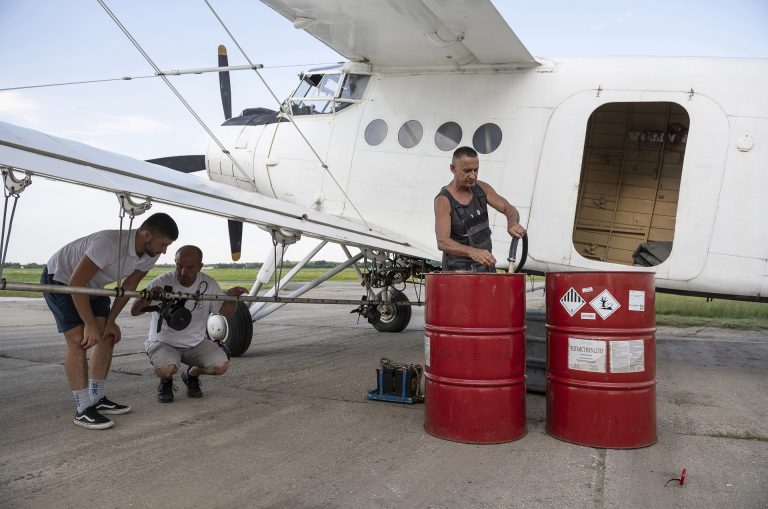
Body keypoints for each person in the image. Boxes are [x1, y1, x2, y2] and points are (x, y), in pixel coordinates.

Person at [41, 212, 179, 430]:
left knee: (107, 335)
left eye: (167, 245)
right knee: (78, 340)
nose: (164, 251)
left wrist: (110, 321)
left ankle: (96, 398)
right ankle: (83, 408)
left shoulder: (151, 253)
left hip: (93, 284)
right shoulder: (108, 243)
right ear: (146, 234)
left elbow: (129, 288)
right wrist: (89, 324)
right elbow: (76, 282)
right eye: (163, 244)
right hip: (62, 278)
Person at [131, 245, 248, 403]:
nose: (183, 272)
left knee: (221, 366)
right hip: (163, 343)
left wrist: (232, 298)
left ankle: (191, 375)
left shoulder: (208, 284)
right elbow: (135, 311)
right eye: (179, 266)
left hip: (195, 344)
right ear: (175, 262)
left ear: (200, 266)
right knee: (167, 370)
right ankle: (166, 381)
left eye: (190, 267)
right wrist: (148, 297)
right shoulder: (162, 282)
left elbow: (224, 312)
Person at [434, 146, 526, 272]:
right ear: (453, 168)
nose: (473, 176)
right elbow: (442, 242)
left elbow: (509, 208)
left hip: (486, 269)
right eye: (467, 171)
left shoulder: (482, 189)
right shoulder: (443, 200)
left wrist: (512, 223)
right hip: (458, 274)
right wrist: (472, 252)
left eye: (475, 170)